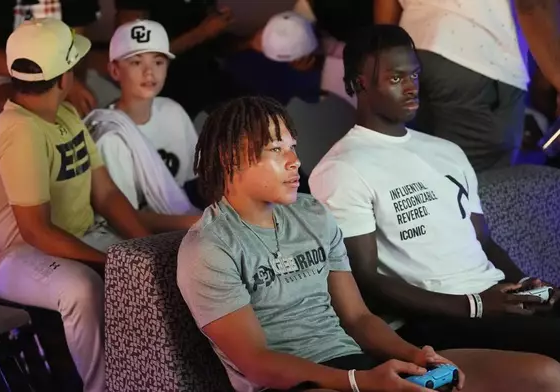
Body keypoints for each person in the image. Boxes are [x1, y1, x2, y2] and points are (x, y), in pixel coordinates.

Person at [177, 95, 560, 392]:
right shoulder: (210, 248)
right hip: (298, 383)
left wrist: (417, 357)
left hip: (356, 361)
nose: (295, 161)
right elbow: (257, 362)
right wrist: (361, 382)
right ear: (230, 158)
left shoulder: (311, 214)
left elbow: (358, 318)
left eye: (293, 147)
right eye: (276, 150)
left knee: (545, 375)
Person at [309, 24, 560, 362]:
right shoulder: (341, 169)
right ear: (360, 83)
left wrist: (529, 286)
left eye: (414, 75)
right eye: (396, 78)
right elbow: (366, 279)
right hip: (438, 319)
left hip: (494, 299)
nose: (411, 87)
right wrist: (473, 306)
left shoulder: (447, 151)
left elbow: (483, 241)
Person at [0, 19, 152, 392]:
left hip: (75, 236)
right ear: (62, 78)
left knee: (160, 267)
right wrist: (112, 264)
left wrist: (146, 249)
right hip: (13, 255)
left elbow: (104, 194)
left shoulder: (67, 116)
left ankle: (153, 379)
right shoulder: (19, 130)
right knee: (82, 289)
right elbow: (35, 231)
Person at [373, 0, 560, 172]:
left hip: (410, 53)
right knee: (475, 191)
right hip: (476, 61)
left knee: (419, 181)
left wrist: (384, 60)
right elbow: (533, 4)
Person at [85, 19, 205, 221]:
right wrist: (197, 224)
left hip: (185, 224)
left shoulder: (173, 112)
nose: (149, 72)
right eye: (136, 62)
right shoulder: (110, 135)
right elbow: (125, 219)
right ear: (115, 70)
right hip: (139, 237)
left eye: (158, 62)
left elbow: (195, 185)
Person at [0, 0, 98, 123]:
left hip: (59, 71)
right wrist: (57, 78)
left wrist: (70, 82)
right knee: (26, 108)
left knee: (87, 109)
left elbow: (74, 46)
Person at [114, 0, 243, 116]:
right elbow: (135, 51)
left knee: (252, 109)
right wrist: (202, 33)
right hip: (162, 83)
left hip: (206, 73)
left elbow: (214, 42)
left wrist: (250, 43)